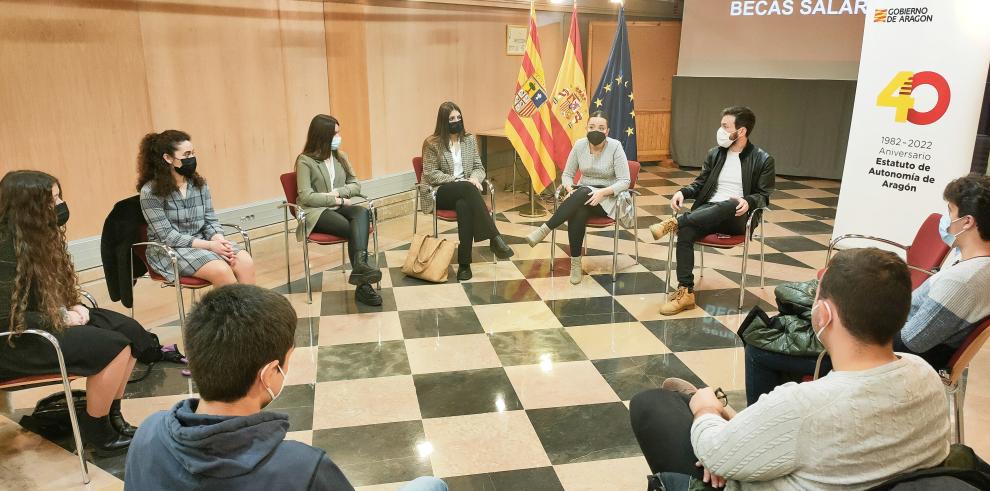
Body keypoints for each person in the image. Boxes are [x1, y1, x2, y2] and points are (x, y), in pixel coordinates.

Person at [629, 248, 950, 490]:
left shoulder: (804, 405)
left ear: (823, 314)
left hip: (757, 471)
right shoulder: (926, 376)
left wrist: (705, 409)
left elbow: (713, 453)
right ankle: (735, 429)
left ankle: (716, 415)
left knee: (652, 405)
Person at [125, 284, 447, 491]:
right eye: (286, 362)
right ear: (269, 374)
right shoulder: (302, 470)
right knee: (431, 485)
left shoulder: (148, 434)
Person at [745, 174, 990, 402]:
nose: (946, 219)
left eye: (950, 211)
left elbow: (909, 344)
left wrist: (852, 320)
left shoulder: (963, 282)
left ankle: (759, 437)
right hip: (883, 340)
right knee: (788, 321)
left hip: (880, 359)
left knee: (759, 346)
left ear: (967, 221)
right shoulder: (977, 267)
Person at [0, 170, 142, 456]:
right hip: (16, 342)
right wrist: (60, 317)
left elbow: (50, 292)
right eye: (53, 200)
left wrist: (72, 304)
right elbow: (7, 318)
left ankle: (113, 419)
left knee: (130, 332)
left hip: (45, 322)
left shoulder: (37, 238)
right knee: (114, 348)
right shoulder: (5, 250)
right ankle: (98, 432)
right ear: (29, 208)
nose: (61, 204)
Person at [649, 106, 775, 315]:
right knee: (687, 233)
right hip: (707, 211)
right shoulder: (715, 154)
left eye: (725, 126)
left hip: (737, 216)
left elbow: (764, 195)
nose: (721, 130)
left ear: (741, 131)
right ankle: (686, 292)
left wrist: (749, 201)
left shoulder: (763, 159)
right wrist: (683, 191)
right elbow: (700, 183)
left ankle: (676, 222)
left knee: (731, 202)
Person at [136, 130, 255, 286]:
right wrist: (211, 246)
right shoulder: (150, 192)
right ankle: (229, 311)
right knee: (221, 270)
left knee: (245, 261)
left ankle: (249, 310)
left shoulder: (199, 184)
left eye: (192, 153)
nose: (191, 158)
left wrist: (219, 241)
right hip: (170, 250)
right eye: (186, 155)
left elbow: (210, 221)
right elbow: (167, 236)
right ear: (168, 158)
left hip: (203, 241)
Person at [525, 111, 630, 284]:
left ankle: (545, 229)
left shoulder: (615, 146)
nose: (596, 130)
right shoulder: (580, 145)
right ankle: (575, 263)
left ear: (608, 131)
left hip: (608, 199)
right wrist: (567, 186)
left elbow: (625, 181)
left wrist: (603, 192)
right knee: (578, 209)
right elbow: (567, 174)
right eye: (592, 127)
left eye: (601, 128)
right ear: (586, 128)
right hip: (582, 197)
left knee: (581, 192)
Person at [295, 114, 382, 306]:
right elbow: (306, 196)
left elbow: (355, 185)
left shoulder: (341, 157)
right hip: (315, 212)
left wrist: (338, 193)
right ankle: (364, 285)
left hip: (338, 206)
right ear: (322, 136)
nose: (338, 137)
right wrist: (338, 199)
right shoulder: (305, 161)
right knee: (355, 229)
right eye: (335, 133)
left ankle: (359, 269)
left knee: (362, 213)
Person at [421, 101, 514, 281]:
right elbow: (431, 174)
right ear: (443, 122)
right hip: (440, 192)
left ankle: (465, 264)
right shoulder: (432, 143)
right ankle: (494, 238)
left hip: (465, 193)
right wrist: (459, 180)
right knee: (466, 188)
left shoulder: (469, 140)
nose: (456, 121)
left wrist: (474, 178)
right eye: (452, 119)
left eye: (459, 117)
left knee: (464, 205)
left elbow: (479, 167)